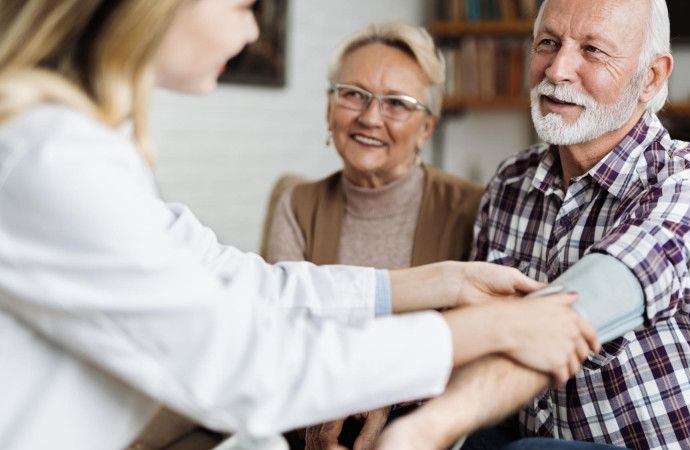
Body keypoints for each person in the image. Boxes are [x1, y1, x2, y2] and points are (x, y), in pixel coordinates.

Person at [0, 1, 601, 449]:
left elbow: (244, 283)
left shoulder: (75, 146)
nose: (253, 29)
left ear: (428, 125)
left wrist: (441, 282)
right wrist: (492, 328)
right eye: (242, 4)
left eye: (397, 103)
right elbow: (251, 362)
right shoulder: (53, 160)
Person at [374, 0, 690, 448]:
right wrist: (389, 393)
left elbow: (586, 305)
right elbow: (480, 334)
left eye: (592, 50)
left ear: (650, 77)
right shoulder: (511, 182)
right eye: (548, 43)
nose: (557, 70)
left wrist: (430, 425)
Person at [263, 21, 484, 450]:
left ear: (427, 127)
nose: (369, 117)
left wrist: (384, 394)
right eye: (353, 94)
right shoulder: (297, 204)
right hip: (308, 413)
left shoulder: (472, 208)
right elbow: (283, 336)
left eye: (397, 104)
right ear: (330, 107)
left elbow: (474, 349)